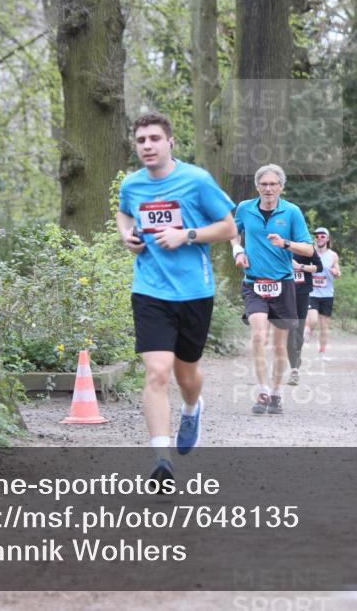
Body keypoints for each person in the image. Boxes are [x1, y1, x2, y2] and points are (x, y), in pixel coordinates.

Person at [116, 111, 236, 483]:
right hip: (150, 291)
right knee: (156, 372)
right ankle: (162, 460)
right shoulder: (132, 186)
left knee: (187, 376)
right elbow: (124, 215)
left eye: (154, 139)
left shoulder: (197, 181)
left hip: (194, 292)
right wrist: (128, 238)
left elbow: (229, 226)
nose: (147, 146)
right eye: (141, 141)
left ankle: (191, 407)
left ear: (170, 142)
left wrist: (186, 235)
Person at [231, 164, 313, 415]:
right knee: (257, 336)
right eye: (263, 184)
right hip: (254, 283)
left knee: (279, 346)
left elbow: (308, 250)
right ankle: (262, 391)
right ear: (257, 187)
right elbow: (233, 232)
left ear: (281, 187)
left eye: (273, 184)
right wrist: (238, 250)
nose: (268, 188)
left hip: (283, 284)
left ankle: (277, 392)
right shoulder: (245, 208)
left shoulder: (292, 212)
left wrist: (286, 243)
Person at [286, 245, 323, 386]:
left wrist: (300, 267)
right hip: (285, 291)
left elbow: (319, 267)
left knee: (298, 330)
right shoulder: (279, 244)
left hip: (302, 292)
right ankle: (294, 365)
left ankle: (295, 363)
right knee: (288, 329)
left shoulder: (306, 247)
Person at [306, 227, 341, 359]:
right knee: (313, 320)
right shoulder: (310, 252)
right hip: (312, 293)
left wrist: (336, 273)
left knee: (324, 326)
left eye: (322, 236)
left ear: (327, 239)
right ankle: (308, 329)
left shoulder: (332, 255)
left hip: (327, 294)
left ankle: (322, 352)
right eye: (317, 236)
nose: (319, 238)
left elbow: (338, 272)